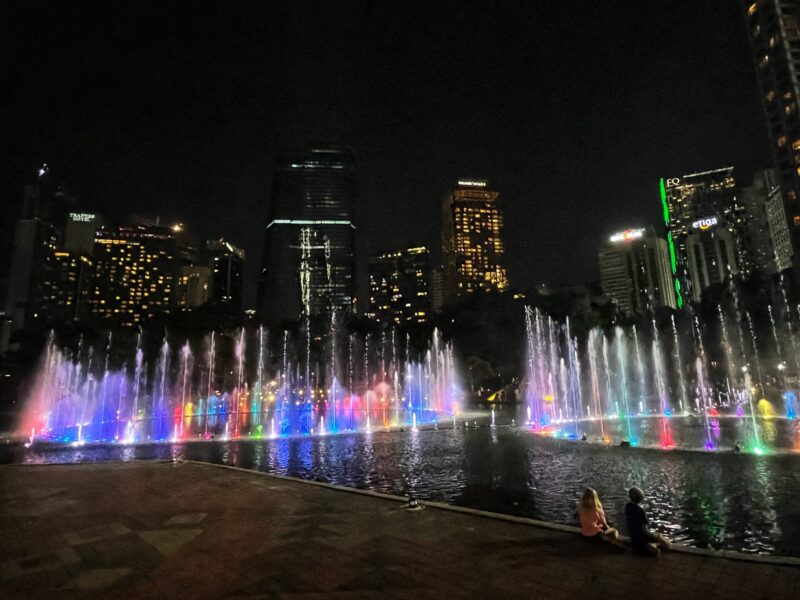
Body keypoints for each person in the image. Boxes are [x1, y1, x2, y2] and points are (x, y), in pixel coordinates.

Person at [625, 486, 671, 556]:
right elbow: (645, 531)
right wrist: (656, 536)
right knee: (661, 538)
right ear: (641, 497)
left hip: (633, 539)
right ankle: (653, 545)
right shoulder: (641, 511)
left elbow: (637, 511)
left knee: (657, 537)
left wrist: (649, 507)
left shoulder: (628, 507)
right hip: (642, 540)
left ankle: (648, 546)